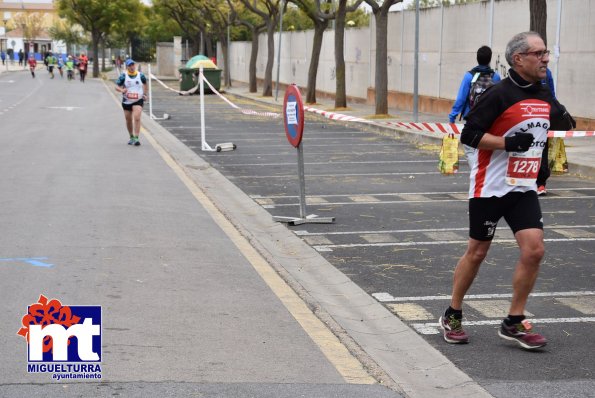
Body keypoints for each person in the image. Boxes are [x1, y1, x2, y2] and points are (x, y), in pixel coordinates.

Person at [439, 32, 575, 350]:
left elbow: (560, 125)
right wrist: (507, 144)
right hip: (489, 186)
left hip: (523, 188)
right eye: (538, 53)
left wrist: (560, 119)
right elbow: (469, 135)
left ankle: (514, 321)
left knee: (534, 250)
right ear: (518, 58)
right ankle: (452, 313)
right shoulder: (498, 94)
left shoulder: (543, 93)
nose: (545, 58)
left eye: (546, 54)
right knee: (477, 252)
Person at [449, 46, 502, 123]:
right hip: (489, 118)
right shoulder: (495, 77)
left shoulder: (469, 76)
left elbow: (461, 98)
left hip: (471, 117)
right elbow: (499, 99)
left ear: (477, 58)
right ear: (490, 59)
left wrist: (452, 116)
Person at [115, 59, 148, 146]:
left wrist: (144, 94)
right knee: (128, 119)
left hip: (138, 99)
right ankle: (131, 137)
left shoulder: (140, 75)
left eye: (133, 65)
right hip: (127, 100)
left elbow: (145, 83)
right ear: (127, 67)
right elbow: (116, 87)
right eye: (130, 65)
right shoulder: (123, 76)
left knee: (137, 117)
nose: (132, 67)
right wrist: (122, 90)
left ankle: (136, 138)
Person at [535, 68, 557, 196]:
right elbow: (552, 96)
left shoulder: (546, 72)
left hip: (541, 118)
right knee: (540, 148)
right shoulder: (546, 72)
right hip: (540, 117)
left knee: (541, 148)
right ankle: (539, 183)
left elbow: (552, 96)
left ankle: (540, 183)